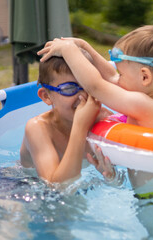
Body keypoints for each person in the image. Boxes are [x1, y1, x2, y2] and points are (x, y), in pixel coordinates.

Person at [38, 24, 153, 237]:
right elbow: (110, 79)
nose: (116, 78)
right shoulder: (150, 100)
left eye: (121, 73)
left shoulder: (148, 106)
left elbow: (97, 86)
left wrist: (69, 50)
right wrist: (85, 46)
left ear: (144, 77)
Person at [20, 54, 112, 185]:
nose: (82, 96)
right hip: (21, 184)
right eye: (69, 88)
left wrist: (111, 177)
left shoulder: (103, 119)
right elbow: (55, 187)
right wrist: (80, 127)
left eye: (88, 85)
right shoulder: (38, 128)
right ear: (46, 96)